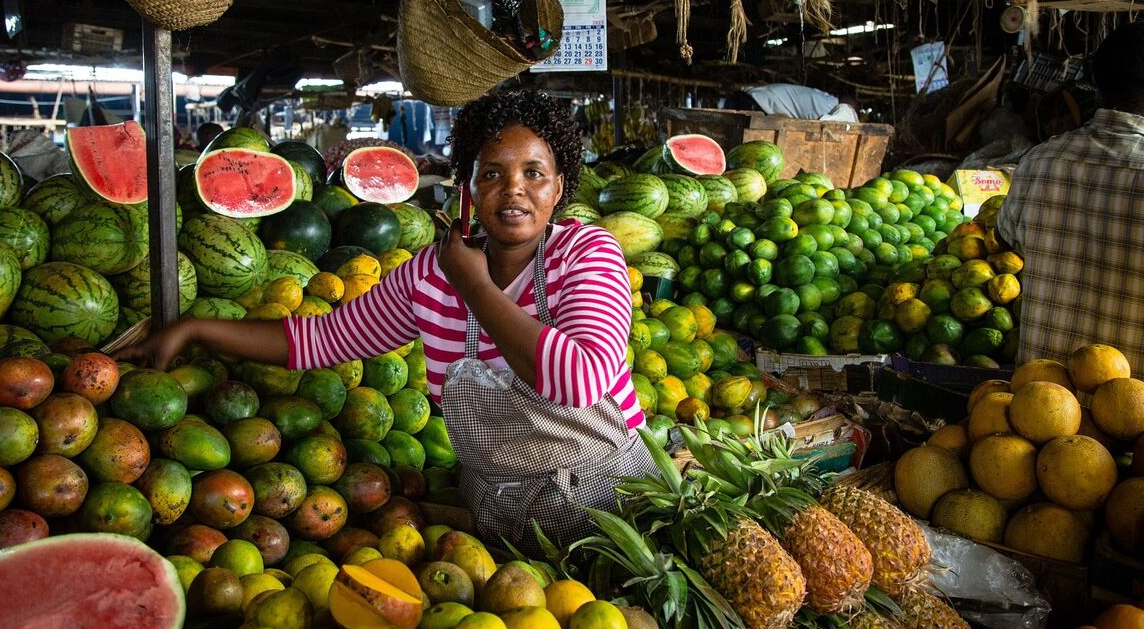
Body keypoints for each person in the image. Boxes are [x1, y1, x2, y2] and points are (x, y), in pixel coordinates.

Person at [122, 90, 653, 551]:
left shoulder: (586, 252)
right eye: (491, 173)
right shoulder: (429, 276)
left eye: (533, 173)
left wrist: (474, 285)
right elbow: (321, 339)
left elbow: (579, 377)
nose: (513, 188)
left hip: (613, 506)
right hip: (499, 515)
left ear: (558, 189)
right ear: (466, 189)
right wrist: (193, 328)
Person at [997, 21, 1144, 372]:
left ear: (1095, 83)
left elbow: (1004, 240)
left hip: (1037, 407)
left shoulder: (1039, 161)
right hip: (1130, 412)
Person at [724, 83, 859, 122]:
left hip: (753, 97)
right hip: (757, 103)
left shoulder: (826, 99)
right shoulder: (829, 106)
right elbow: (817, 126)